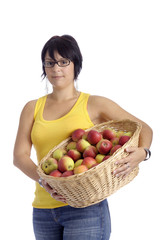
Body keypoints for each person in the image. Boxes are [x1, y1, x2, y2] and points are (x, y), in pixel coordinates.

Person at [13, 35, 153, 240]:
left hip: (86, 210)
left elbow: (144, 128)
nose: (55, 68)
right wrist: (44, 181)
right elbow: (19, 156)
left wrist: (144, 152)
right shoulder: (32, 108)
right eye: (49, 63)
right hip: (43, 210)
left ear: (75, 64)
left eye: (63, 62)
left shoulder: (95, 103)